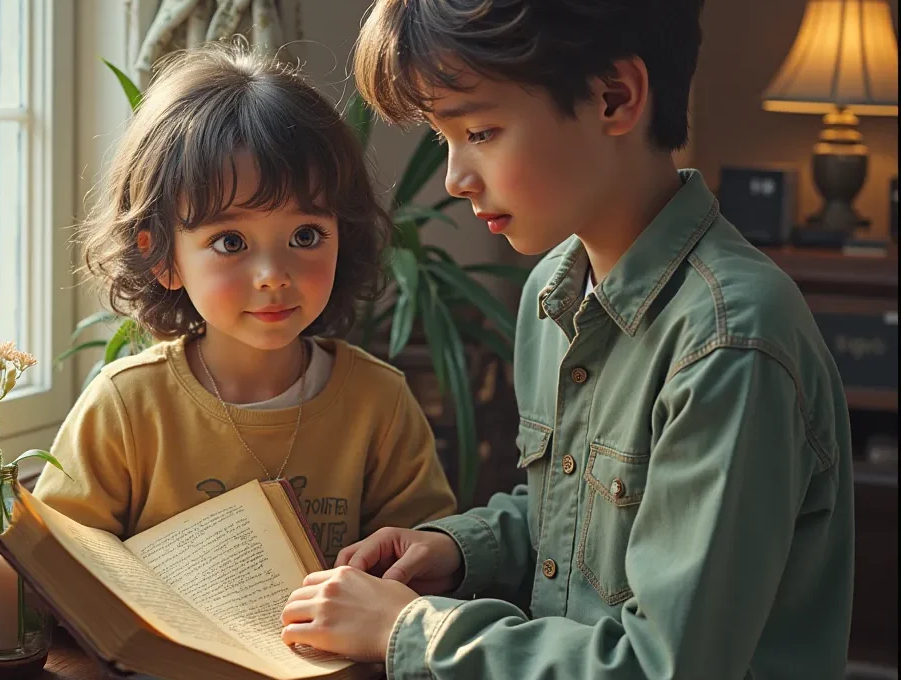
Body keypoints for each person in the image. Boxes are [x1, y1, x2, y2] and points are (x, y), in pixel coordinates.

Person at [280, 1, 854, 677]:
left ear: (615, 98)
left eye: (483, 132)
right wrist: (460, 549)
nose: (456, 179)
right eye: (444, 139)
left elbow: (662, 665)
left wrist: (410, 630)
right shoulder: (553, 291)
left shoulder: (731, 346)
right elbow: (578, 515)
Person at [34, 43, 456, 566]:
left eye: (305, 235)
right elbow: (55, 567)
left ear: (342, 236)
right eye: (231, 242)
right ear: (162, 256)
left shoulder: (379, 403)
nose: (274, 277)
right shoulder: (126, 407)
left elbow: (423, 557)